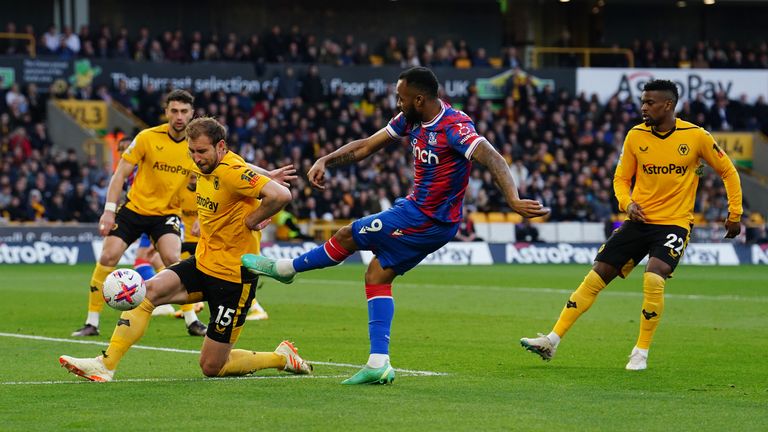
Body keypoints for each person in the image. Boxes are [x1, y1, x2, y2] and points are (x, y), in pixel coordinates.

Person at [242, 67, 548, 384]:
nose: (396, 103)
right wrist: (326, 160)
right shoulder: (410, 119)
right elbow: (366, 146)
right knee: (376, 275)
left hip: (428, 218)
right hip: (416, 210)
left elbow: (493, 157)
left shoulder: (454, 126)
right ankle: (379, 363)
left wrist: (512, 198)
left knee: (349, 233)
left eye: (401, 98)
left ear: (419, 98)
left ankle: (287, 268)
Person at [59, 117, 312, 381]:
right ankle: (105, 364)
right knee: (146, 292)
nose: (196, 158)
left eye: (202, 151)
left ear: (220, 146)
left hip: (233, 279)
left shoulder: (230, 171)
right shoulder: (209, 163)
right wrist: (265, 174)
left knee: (213, 367)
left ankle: (282, 357)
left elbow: (281, 195)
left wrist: (252, 218)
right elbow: (242, 165)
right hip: (203, 263)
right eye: (192, 151)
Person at [520, 80, 743, 370]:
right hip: (638, 220)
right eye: (643, 101)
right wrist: (627, 204)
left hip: (674, 223)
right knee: (596, 275)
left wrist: (734, 213)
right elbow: (621, 179)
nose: (644, 107)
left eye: (650, 102)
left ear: (668, 105)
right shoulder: (635, 136)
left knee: (653, 277)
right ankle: (552, 340)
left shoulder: (697, 136)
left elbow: (728, 170)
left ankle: (641, 352)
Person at [71, 91, 200, 337]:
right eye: (174, 111)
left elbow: (219, 173)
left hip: (167, 213)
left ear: (192, 113)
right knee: (108, 256)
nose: (179, 116)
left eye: (184, 111)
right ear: (166, 112)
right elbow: (120, 174)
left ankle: (192, 319)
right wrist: (109, 211)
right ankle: (92, 322)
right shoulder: (147, 137)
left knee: (175, 259)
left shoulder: (195, 145)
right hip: (134, 209)